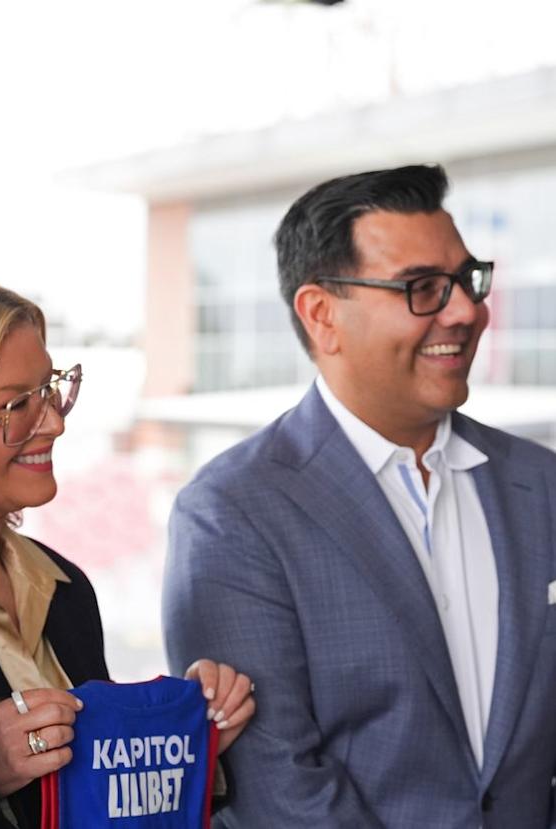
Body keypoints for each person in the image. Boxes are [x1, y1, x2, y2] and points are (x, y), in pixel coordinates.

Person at [163, 164, 556, 827]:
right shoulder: (232, 512)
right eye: (422, 288)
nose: (464, 310)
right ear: (322, 316)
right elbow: (278, 789)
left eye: (466, 279)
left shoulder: (541, 484)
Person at [0, 276, 256, 829]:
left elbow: (106, 801)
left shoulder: (65, 584)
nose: (54, 422)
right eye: (16, 404)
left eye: (51, 389)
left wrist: (187, 740)